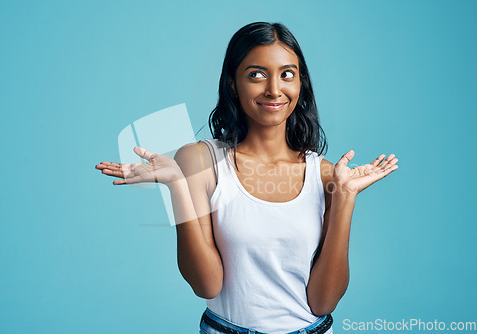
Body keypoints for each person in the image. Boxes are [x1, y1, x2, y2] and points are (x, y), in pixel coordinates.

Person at [95, 22, 398, 334]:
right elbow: (206, 285)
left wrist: (345, 198)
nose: (274, 89)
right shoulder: (199, 160)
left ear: (301, 83)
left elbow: (323, 302)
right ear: (232, 83)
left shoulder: (326, 174)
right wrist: (178, 184)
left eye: (287, 74)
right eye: (257, 74)